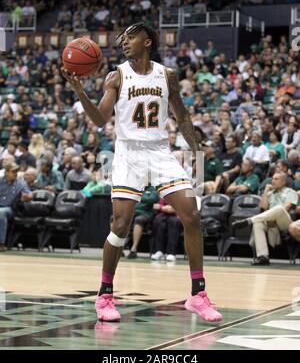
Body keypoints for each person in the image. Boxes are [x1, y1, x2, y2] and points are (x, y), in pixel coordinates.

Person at [62, 22, 222, 323]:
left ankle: (197, 294)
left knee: (191, 214)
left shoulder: (167, 75)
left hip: (161, 151)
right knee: (121, 223)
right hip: (127, 153)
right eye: (122, 38)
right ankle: (105, 295)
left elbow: (183, 117)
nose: (124, 42)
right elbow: (99, 119)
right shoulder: (117, 75)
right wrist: (80, 90)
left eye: (130, 37)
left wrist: (197, 155)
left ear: (147, 41)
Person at [233, 172, 298, 265]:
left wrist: (273, 218)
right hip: (269, 221)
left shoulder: (290, 192)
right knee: (258, 223)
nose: (273, 181)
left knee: (279, 208)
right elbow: (263, 208)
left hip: (284, 222)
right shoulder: (270, 193)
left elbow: (286, 207)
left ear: (283, 182)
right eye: (273, 179)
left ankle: (249, 220)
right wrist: (266, 191)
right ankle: (263, 257)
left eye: (276, 179)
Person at [0, 162, 32, 251]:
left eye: (16, 172)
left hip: (10, 209)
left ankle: (1, 244)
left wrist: (27, 197)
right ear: (6, 172)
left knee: (1, 212)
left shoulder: (20, 183)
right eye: (13, 171)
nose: (15, 173)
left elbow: (30, 194)